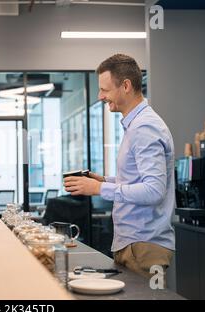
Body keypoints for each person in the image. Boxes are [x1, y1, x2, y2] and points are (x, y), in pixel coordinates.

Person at [64, 54, 175, 280]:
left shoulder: (144, 128)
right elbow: (138, 181)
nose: (100, 96)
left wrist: (97, 189)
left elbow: (154, 190)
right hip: (134, 244)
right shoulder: (135, 126)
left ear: (126, 86)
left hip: (144, 246)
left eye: (105, 89)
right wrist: (104, 180)